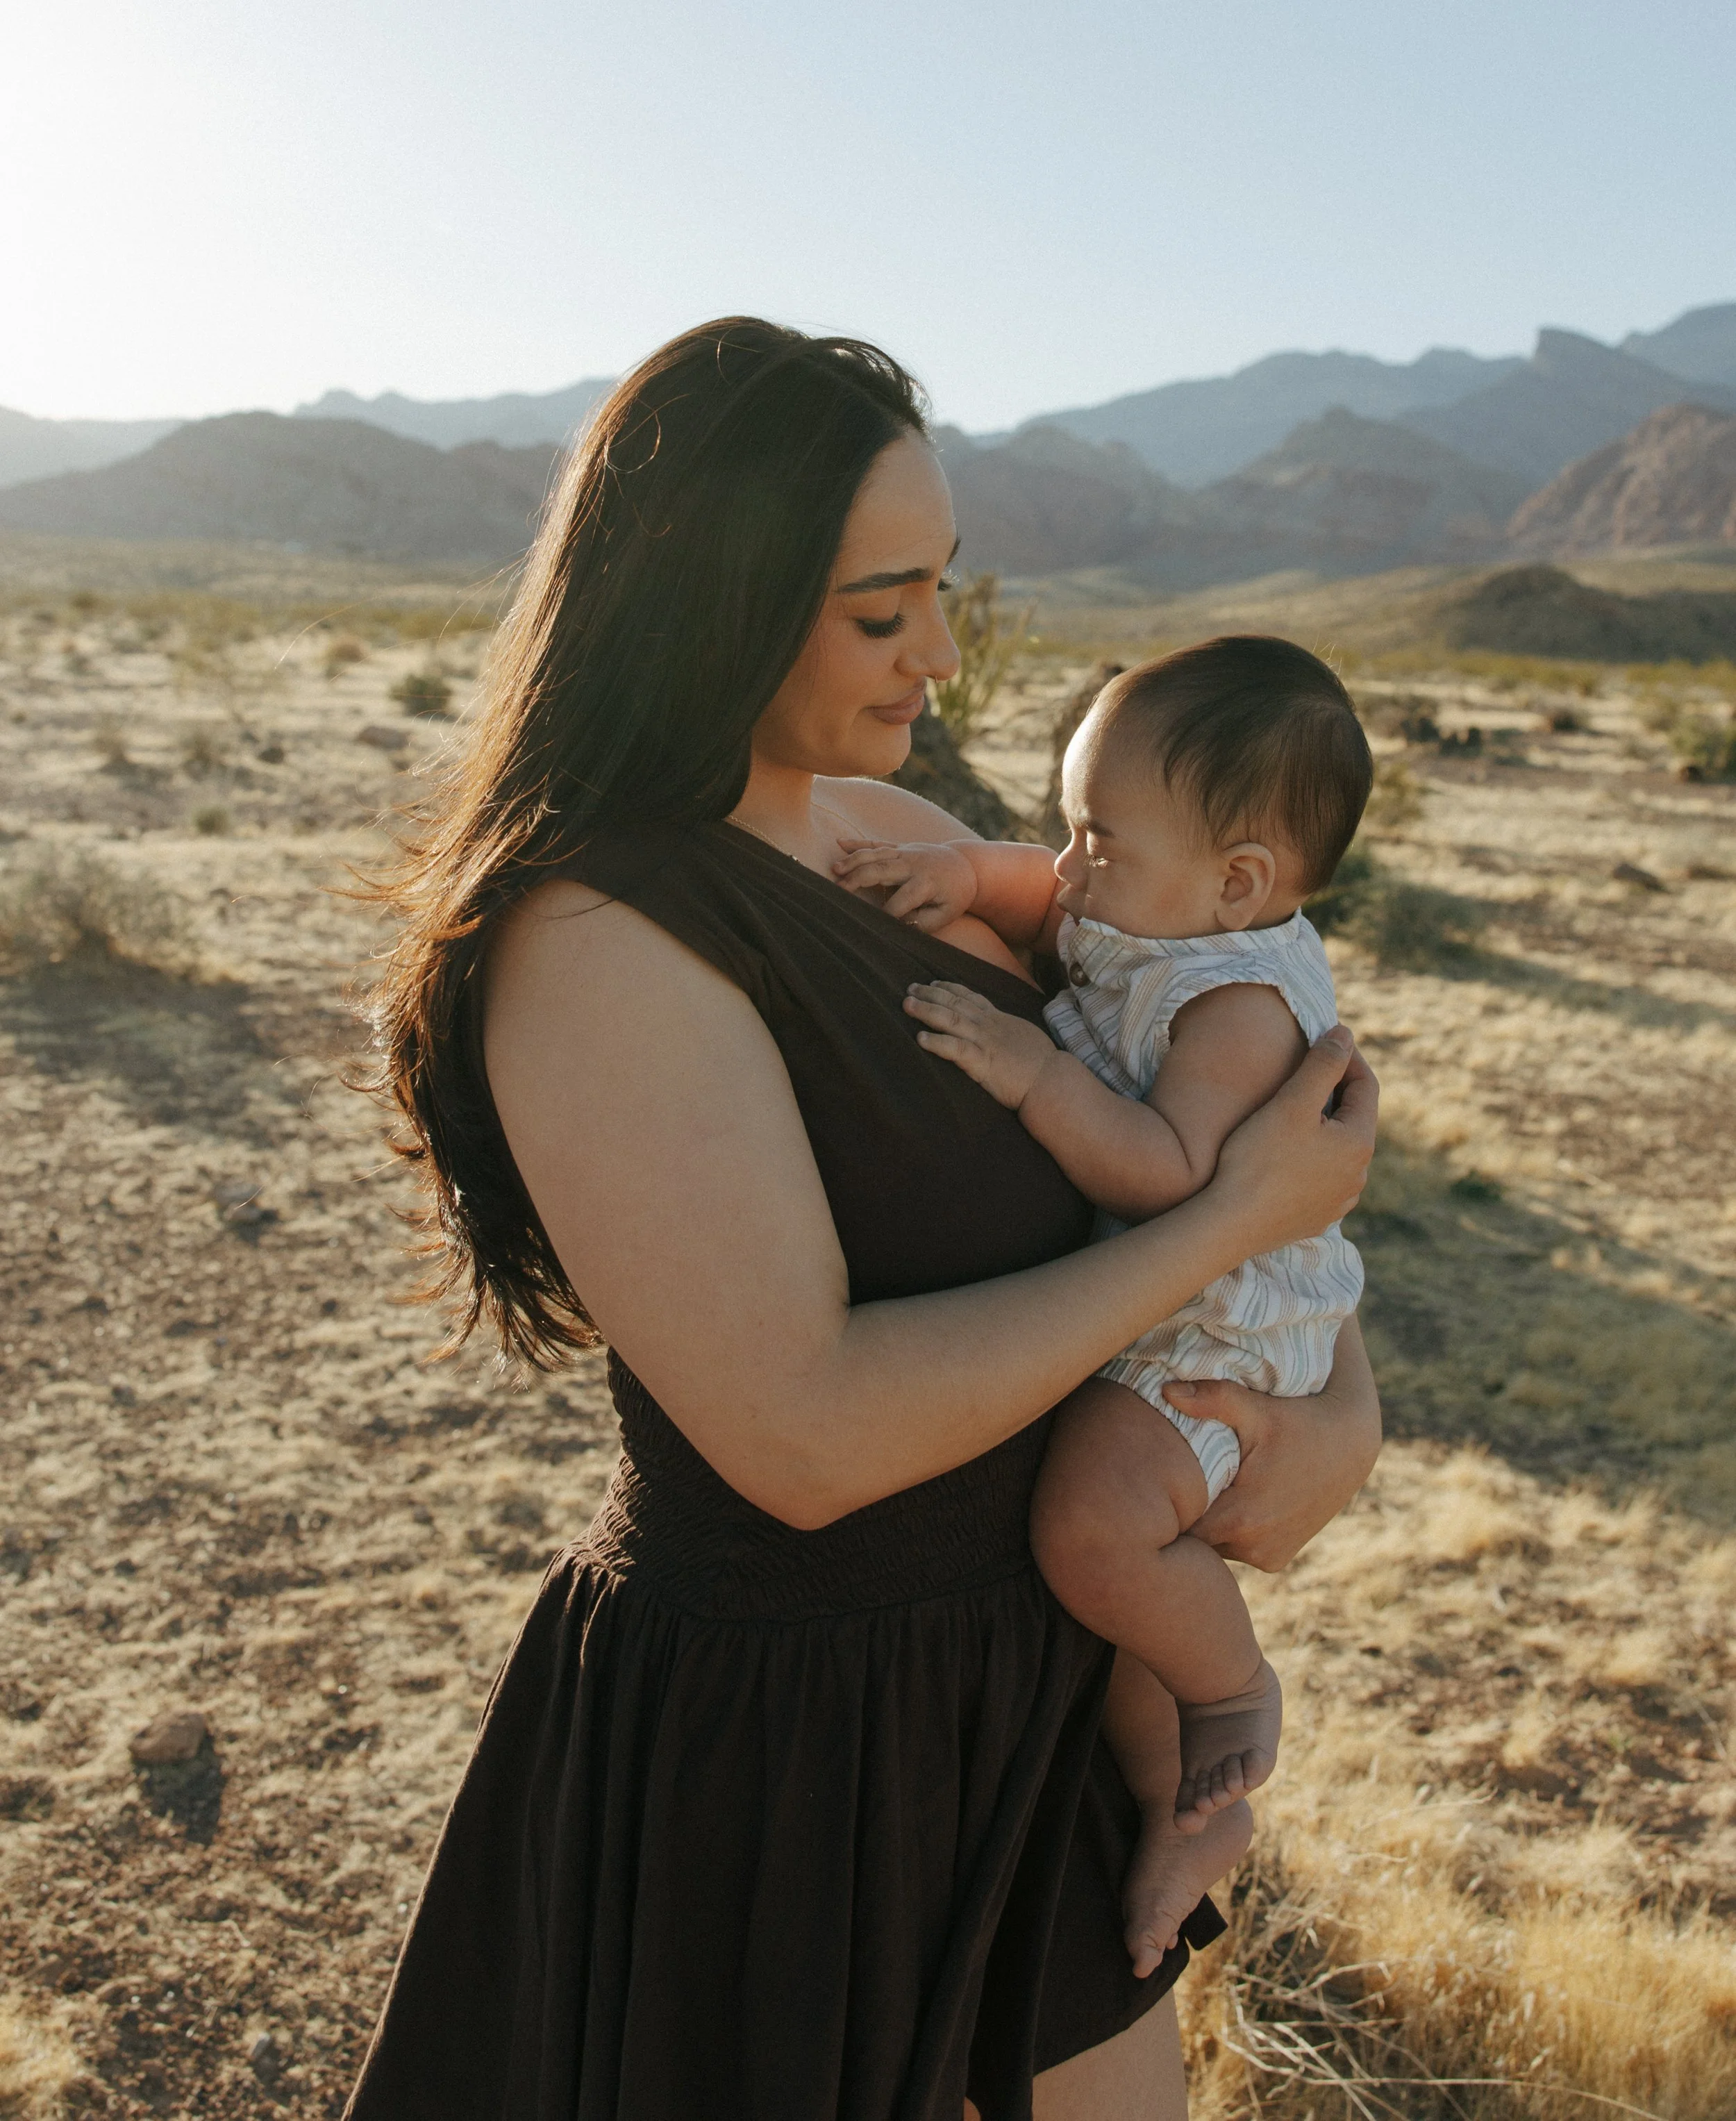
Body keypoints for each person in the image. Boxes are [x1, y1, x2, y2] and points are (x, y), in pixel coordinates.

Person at [347, 317, 1380, 2121]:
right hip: (792, 1765)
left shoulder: (894, 831)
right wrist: (1215, 1238)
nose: (945, 653)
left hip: (1026, 1691)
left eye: (944, 589)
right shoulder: (595, 940)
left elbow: (1224, 1086)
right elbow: (808, 1426)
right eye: (881, 606)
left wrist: (1333, 1405)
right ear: (716, 595)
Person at [833, 639, 1372, 1971]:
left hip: (1214, 1332)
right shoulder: (1155, 903)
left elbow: (1175, 1174)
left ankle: (1230, 1692)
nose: (1066, 871)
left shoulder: (1237, 1004)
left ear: (1239, 881)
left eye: (1097, 840)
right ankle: (1183, 1808)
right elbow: (1041, 894)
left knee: (1092, 1528)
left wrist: (1030, 1071)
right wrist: (966, 876)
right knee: (1095, 1574)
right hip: (1161, 1304)